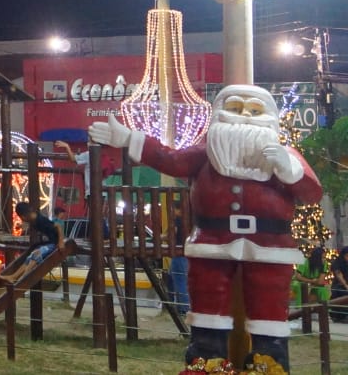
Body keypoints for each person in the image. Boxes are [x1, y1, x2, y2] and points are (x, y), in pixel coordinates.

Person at [90, 85, 323, 371]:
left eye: (254, 111)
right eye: (235, 109)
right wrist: (128, 138)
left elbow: (312, 193)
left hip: (270, 245)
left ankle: (270, 362)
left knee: (270, 306)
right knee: (208, 302)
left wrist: (288, 169)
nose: (245, 117)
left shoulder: (287, 155)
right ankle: (206, 361)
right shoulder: (207, 153)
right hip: (212, 240)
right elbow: (170, 160)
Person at [0, 201, 60, 283]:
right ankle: (14, 276)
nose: (22, 220)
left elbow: (58, 226)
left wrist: (61, 242)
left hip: (54, 243)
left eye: (21, 218)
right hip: (48, 243)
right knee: (29, 257)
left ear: (24, 216)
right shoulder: (33, 220)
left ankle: (23, 277)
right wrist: (22, 226)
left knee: (36, 254)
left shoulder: (41, 220)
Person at [331, 245, 348, 323]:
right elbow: (339, 274)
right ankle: (339, 316)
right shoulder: (337, 262)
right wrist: (345, 285)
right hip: (339, 286)